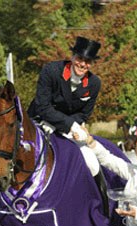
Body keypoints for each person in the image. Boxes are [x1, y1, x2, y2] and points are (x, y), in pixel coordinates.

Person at [28, 36, 109, 216]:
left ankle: (103, 208)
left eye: (88, 61)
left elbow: (84, 113)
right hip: (40, 121)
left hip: (68, 128)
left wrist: (73, 127)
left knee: (92, 163)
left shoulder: (94, 83)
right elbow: (43, 105)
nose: (83, 64)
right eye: (80, 59)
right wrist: (68, 124)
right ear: (72, 57)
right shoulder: (51, 70)